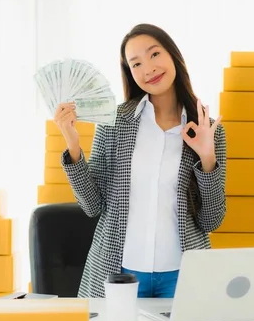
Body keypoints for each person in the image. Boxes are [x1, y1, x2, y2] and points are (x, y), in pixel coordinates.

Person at [53, 23, 227, 298]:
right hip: (119, 274)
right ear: (130, 73)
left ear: (173, 55)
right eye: (136, 64)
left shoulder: (207, 128)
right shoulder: (114, 122)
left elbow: (211, 220)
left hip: (183, 276)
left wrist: (207, 157)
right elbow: (92, 205)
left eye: (155, 54)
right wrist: (73, 145)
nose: (148, 69)